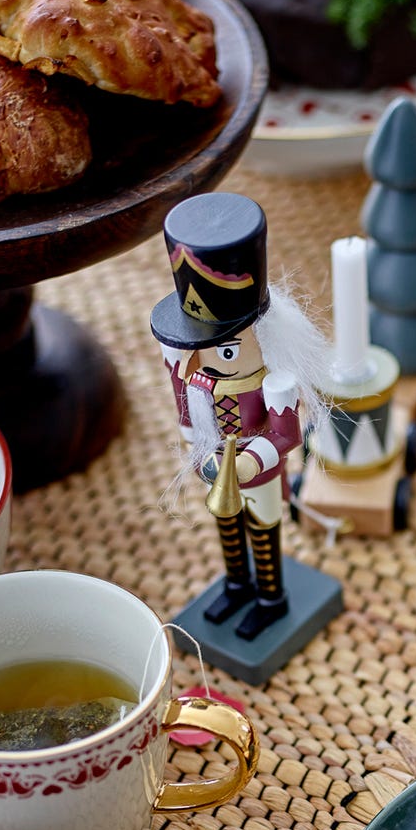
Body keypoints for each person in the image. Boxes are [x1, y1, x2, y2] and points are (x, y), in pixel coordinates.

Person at [151, 192, 331, 641]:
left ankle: (271, 597)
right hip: (218, 468)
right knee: (227, 525)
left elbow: (286, 435)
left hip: (259, 472)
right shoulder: (195, 380)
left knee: (262, 529)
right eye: (201, 343)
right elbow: (188, 420)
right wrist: (198, 451)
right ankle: (236, 584)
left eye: (226, 347)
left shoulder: (274, 384)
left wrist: (254, 460)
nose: (210, 357)